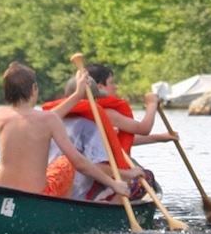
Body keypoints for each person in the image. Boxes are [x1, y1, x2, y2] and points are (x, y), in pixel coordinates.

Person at [0, 61, 136, 198]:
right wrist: (113, 184)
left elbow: (38, 118)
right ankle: (67, 206)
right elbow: (79, 163)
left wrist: (77, 95)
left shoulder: (0, 115)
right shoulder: (48, 120)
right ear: (34, 89)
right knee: (66, 161)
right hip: (39, 194)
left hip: (0, 187)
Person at [43, 58, 177, 201]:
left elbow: (115, 142)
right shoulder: (92, 125)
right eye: (112, 83)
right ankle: (112, 206)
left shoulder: (49, 120)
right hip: (79, 192)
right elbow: (95, 166)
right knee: (146, 178)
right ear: (95, 98)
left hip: (51, 186)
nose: (116, 87)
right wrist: (127, 174)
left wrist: (160, 138)